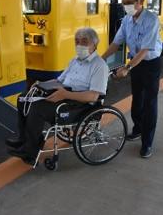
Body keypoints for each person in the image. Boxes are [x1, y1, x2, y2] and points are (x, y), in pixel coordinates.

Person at [6, 28, 109, 165]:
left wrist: (65, 94)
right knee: (23, 99)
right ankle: (24, 139)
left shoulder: (99, 66)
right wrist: (41, 84)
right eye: (77, 42)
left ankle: (30, 150)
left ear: (95, 44)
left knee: (38, 108)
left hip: (79, 105)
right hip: (64, 95)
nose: (80, 45)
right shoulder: (74, 61)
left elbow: (93, 96)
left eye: (85, 42)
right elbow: (59, 80)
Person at [102, 0, 162, 158]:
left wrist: (127, 68)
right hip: (135, 63)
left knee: (150, 103)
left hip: (150, 64)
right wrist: (99, 59)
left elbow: (144, 51)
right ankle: (138, 129)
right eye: (123, 2)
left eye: (129, 2)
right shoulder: (127, 20)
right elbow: (116, 43)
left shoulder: (151, 20)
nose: (125, 6)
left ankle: (147, 142)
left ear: (140, 1)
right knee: (137, 99)